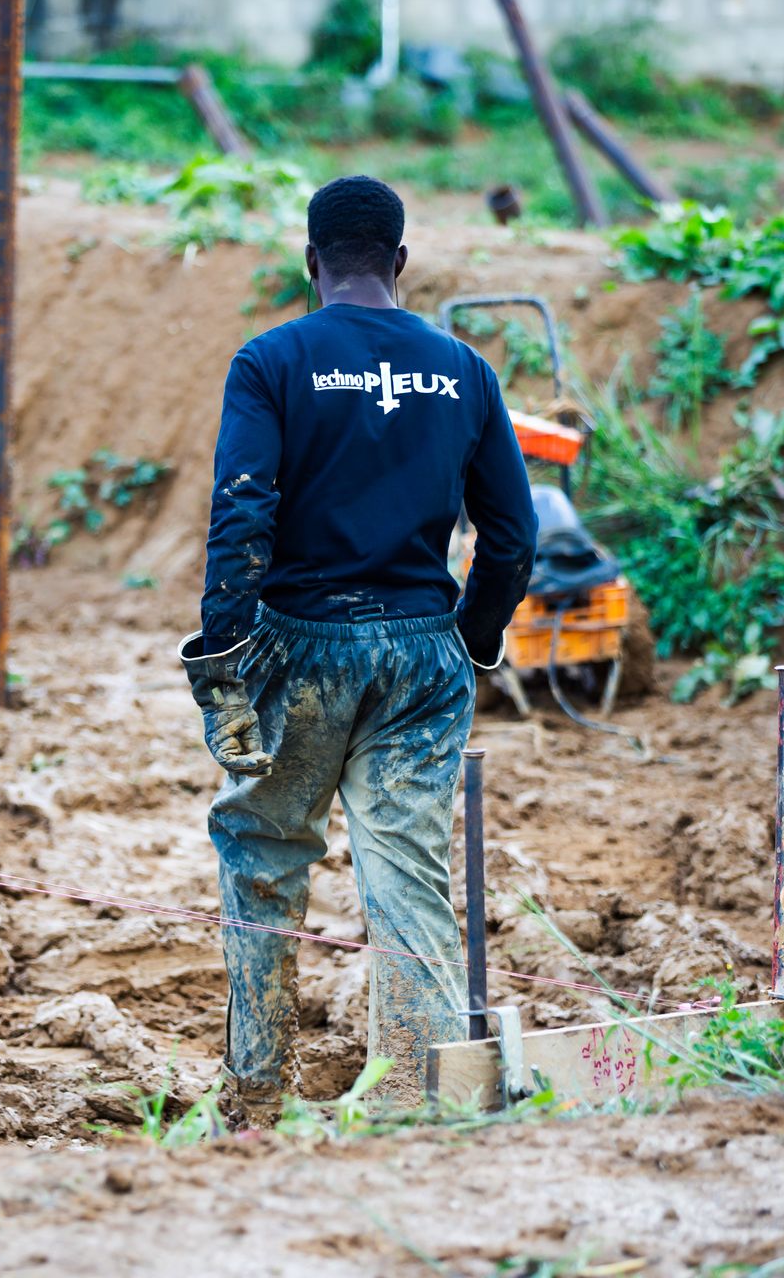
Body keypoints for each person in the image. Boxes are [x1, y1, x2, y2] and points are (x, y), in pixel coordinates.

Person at [178, 174, 537, 1120]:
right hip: (422, 656)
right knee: (407, 871)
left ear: (312, 262)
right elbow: (511, 537)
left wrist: (223, 660)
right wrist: (472, 639)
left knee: (263, 853)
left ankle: (258, 1095)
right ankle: (417, 1099)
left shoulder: (271, 360)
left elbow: (242, 513)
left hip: (299, 649)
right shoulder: (464, 370)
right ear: (401, 262)